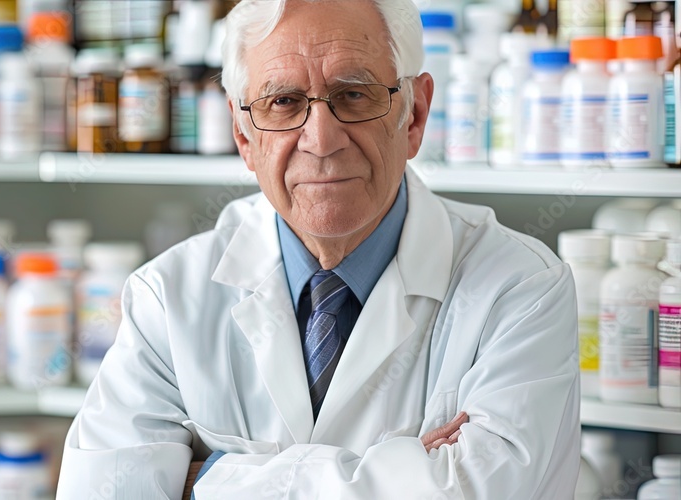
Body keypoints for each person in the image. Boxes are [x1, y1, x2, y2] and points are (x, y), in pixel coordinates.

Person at [56, 0, 580, 498]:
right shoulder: (167, 298)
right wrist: (411, 476)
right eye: (283, 102)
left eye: (354, 94)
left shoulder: (521, 287)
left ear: (414, 115)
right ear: (243, 135)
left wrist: (203, 479)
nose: (322, 139)